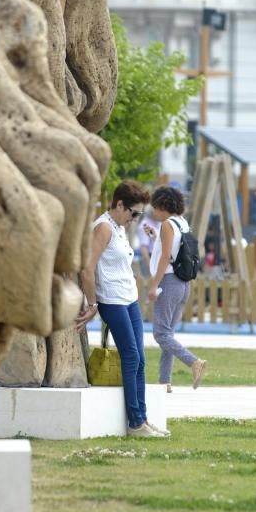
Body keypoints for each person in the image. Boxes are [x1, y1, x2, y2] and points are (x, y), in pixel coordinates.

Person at [76, 181, 169, 438]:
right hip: (112, 301)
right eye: (134, 213)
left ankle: (143, 419)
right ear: (119, 205)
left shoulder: (118, 227)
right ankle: (135, 422)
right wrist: (93, 303)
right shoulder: (104, 227)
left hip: (129, 298)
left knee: (140, 359)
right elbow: (88, 268)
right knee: (130, 357)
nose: (135, 219)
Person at [144, 186, 206, 393]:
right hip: (183, 284)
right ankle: (165, 382)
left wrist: (154, 285)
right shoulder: (182, 223)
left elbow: (164, 258)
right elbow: (172, 250)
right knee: (168, 334)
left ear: (163, 205)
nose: (153, 211)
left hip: (169, 283)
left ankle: (194, 362)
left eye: (155, 207)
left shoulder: (167, 224)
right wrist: (154, 236)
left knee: (161, 334)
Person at [135, 207, 160, 280]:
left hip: (157, 257)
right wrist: (150, 264)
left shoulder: (159, 222)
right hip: (149, 257)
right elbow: (144, 247)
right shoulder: (145, 225)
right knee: (148, 282)